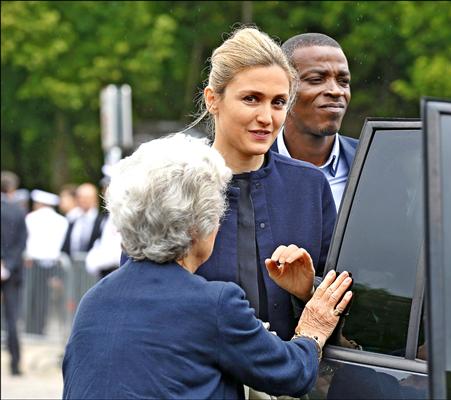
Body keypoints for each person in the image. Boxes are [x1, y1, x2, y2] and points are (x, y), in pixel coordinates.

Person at [62, 134, 353, 399]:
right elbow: (291, 375)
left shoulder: (94, 300)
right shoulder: (214, 304)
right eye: (217, 213)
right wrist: (312, 328)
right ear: (196, 227)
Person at [184, 27, 337, 341]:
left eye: (278, 102)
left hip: (293, 378)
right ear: (213, 100)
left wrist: (307, 289)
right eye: (251, 99)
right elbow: (139, 294)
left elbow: (341, 294)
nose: (267, 117)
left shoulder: (309, 186)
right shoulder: (174, 188)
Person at [272, 33, 358, 211]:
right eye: (316, 79)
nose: (336, 91)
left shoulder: (372, 163)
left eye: (343, 81)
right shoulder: (251, 166)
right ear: (283, 88)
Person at [23, 189, 68, 335]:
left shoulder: (31, 217)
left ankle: (31, 328)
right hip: (53, 264)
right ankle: (41, 329)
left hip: (33, 263)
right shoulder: (62, 220)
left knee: (31, 296)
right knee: (47, 299)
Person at [1, 171, 28, 375]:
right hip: (12, 271)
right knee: (12, 319)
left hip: (9, 267)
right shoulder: (17, 211)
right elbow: (21, 242)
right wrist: (7, 264)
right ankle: (15, 364)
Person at [61, 183, 106, 257]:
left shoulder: (102, 221)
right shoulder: (72, 220)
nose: (83, 200)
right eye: (80, 197)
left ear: (95, 199)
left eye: (87, 197)